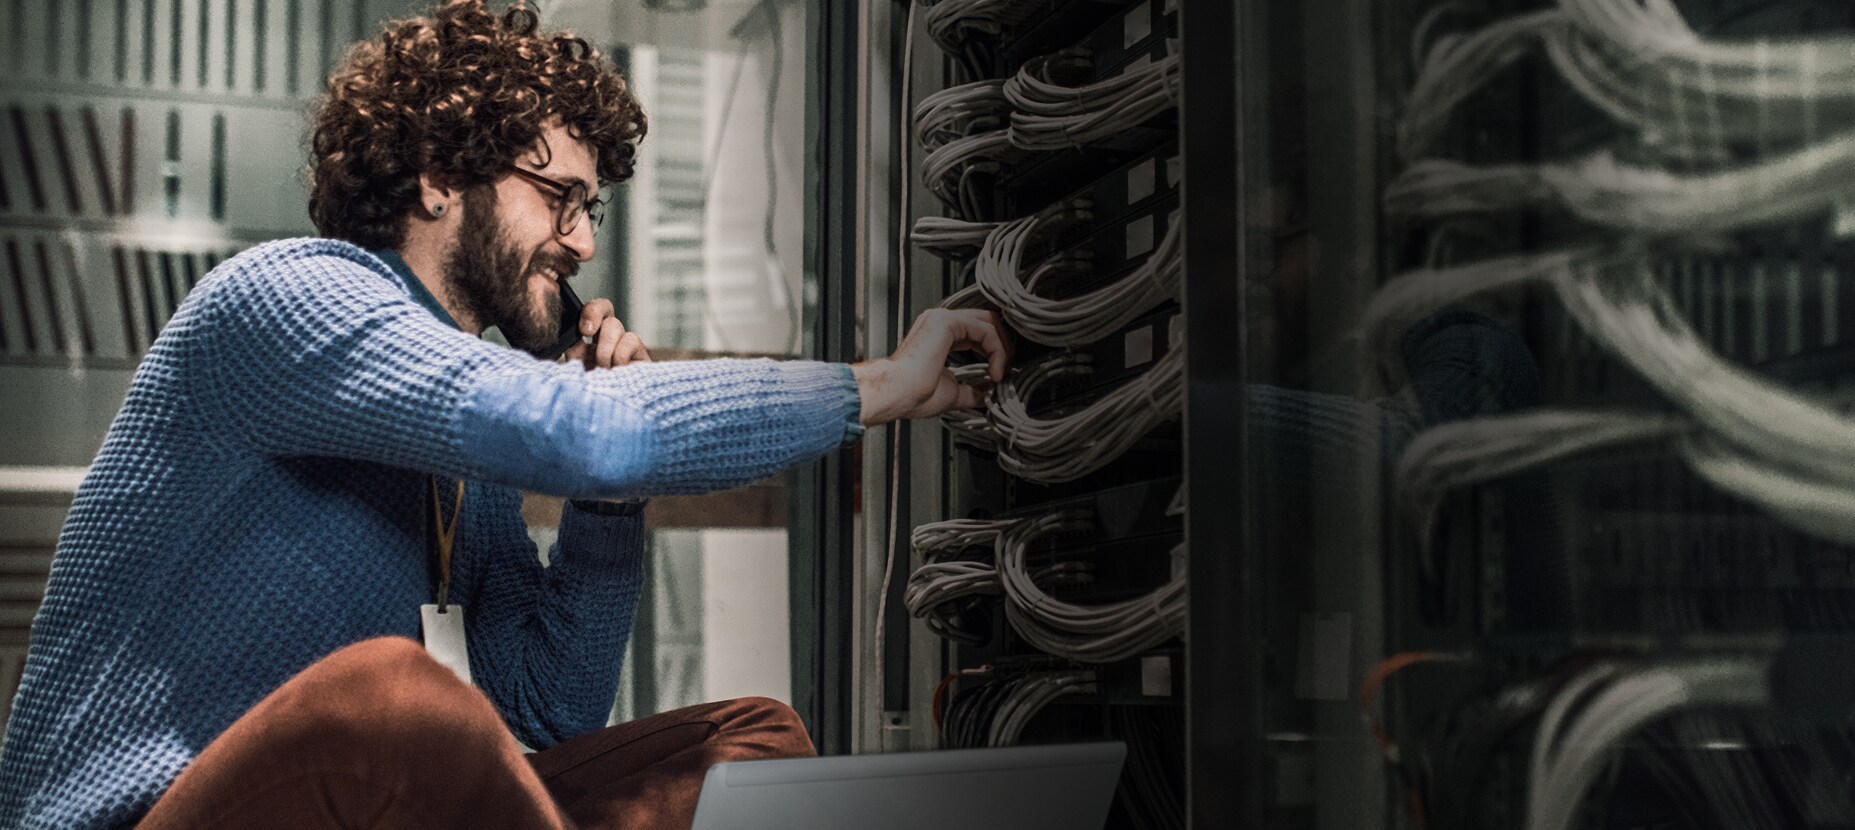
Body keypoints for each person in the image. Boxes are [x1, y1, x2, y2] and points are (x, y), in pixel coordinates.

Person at [0, 2, 1006, 828]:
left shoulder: (453, 433)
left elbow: (544, 702)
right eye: (556, 196)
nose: (579, 242)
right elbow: (577, 431)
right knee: (398, 701)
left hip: (342, 805)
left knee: (748, 740)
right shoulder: (289, 297)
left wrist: (608, 496)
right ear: (441, 176)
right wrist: (878, 384)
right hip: (143, 816)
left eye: (591, 210)